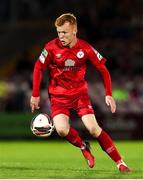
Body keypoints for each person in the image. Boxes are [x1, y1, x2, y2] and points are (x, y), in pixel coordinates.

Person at [30, 13, 130, 172]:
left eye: (65, 32)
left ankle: (120, 162)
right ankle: (84, 146)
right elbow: (38, 68)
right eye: (59, 32)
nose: (61, 36)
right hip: (58, 96)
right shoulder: (50, 47)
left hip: (79, 96)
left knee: (93, 129)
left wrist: (109, 94)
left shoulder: (85, 48)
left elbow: (103, 70)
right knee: (62, 130)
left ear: (74, 30)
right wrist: (35, 94)